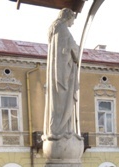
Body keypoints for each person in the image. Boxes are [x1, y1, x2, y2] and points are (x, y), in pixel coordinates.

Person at [44, 8, 79, 140]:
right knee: (63, 103)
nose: (73, 23)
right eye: (73, 20)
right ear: (68, 17)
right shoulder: (63, 29)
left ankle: (59, 128)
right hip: (63, 75)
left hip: (57, 73)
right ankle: (60, 129)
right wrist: (77, 49)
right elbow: (69, 50)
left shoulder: (56, 29)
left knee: (58, 103)